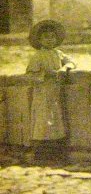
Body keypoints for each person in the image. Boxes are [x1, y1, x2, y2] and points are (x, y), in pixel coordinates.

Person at [25, 19, 76, 165]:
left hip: (55, 93)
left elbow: (72, 61)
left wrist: (65, 68)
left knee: (57, 122)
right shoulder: (37, 56)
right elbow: (30, 75)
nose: (50, 40)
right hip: (42, 94)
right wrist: (46, 74)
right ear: (40, 40)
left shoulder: (58, 53)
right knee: (42, 122)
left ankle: (56, 155)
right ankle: (41, 156)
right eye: (46, 37)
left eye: (52, 37)